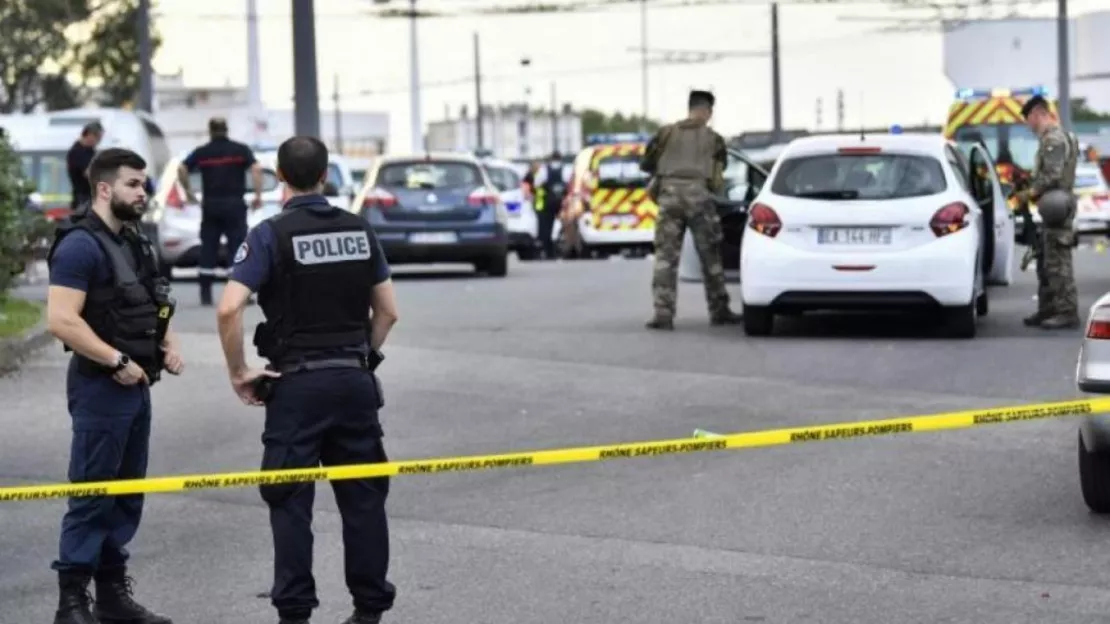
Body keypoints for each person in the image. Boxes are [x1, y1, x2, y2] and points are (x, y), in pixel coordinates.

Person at [215, 136, 400, 624]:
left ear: (279, 176)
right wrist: (365, 355)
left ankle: (295, 614)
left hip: (296, 386)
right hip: (353, 382)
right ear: (325, 176)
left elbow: (229, 306)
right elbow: (388, 312)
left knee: (290, 501)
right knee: (363, 500)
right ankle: (368, 611)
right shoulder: (360, 231)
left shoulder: (269, 235)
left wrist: (239, 373)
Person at [45, 148, 184, 624]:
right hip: (100, 387)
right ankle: (71, 603)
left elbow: (153, 300)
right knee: (92, 494)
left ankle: (110, 597)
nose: (142, 193)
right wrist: (115, 359)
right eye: (133, 184)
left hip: (135, 387)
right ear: (104, 189)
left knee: (124, 494)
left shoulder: (134, 241)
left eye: (144, 184)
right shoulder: (80, 245)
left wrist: (169, 342)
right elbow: (61, 320)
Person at [639, 89, 742, 330]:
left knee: (666, 257)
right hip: (699, 199)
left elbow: (647, 164)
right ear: (707, 111)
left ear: (690, 108)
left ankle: (663, 313)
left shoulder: (665, 133)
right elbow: (717, 179)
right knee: (710, 257)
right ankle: (719, 310)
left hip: (669, 199)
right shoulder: (714, 139)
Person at [177, 117, 263, 306]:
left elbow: (182, 169)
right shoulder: (240, 150)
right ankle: (239, 294)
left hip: (211, 207)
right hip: (234, 206)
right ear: (226, 129)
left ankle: (205, 295)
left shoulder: (203, 152)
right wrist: (258, 195)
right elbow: (256, 169)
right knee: (238, 249)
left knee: (208, 248)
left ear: (210, 130)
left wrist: (189, 192)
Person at [1014, 95, 1080, 329]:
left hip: (1057, 206)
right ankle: (1048, 308)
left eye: (1029, 119)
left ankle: (1066, 311)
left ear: (1037, 114)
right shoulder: (1060, 137)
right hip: (1054, 206)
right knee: (1046, 258)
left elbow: (1052, 175)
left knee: (1058, 261)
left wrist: (1029, 192)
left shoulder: (1053, 139)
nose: (1028, 125)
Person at [532, 151, 569, 259]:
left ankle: (549, 252)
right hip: (562, 203)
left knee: (546, 227)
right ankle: (566, 249)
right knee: (566, 226)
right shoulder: (566, 169)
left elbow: (536, 184)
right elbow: (570, 183)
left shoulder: (544, 170)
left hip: (548, 202)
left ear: (551, 159)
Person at [66, 122, 103, 212]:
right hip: (82, 198)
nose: (99, 142)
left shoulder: (91, 151)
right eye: (98, 138)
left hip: (93, 196)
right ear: (89, 135)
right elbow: (88, 173)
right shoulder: (76, 152)